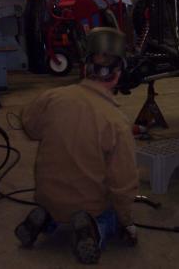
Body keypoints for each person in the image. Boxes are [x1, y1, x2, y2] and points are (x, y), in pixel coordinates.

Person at [15, 27, 138, 264]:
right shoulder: (116, 122)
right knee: (111, 216)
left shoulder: (53, 97)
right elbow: (123, 183)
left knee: (58, 204)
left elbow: (30, 127)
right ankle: (93, 230)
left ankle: (46, 217)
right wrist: (126, 221)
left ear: (85, 67)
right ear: (117, 74)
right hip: (87, 205)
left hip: (48, 196)